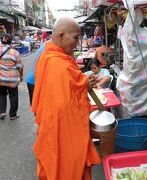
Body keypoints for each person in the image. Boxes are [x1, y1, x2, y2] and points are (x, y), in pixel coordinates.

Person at [31, 17, 101, 180]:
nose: (77, 43)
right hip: (60, 128)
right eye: (76, 37)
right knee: (66, 166)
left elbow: (68, 86)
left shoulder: (50, 57)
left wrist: (82, 84)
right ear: (61, 35)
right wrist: (83, 85)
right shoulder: (55, 62)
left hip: (53, 124)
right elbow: (64, 105)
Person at [0, 33, 23, 120]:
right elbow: (19, 67)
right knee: (13, 96)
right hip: (12, 80)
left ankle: (2, 112)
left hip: (1, 79)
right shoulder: (15, 53)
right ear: (11, 41)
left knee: (1, 95)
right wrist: (21, 76)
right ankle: (12, 115)